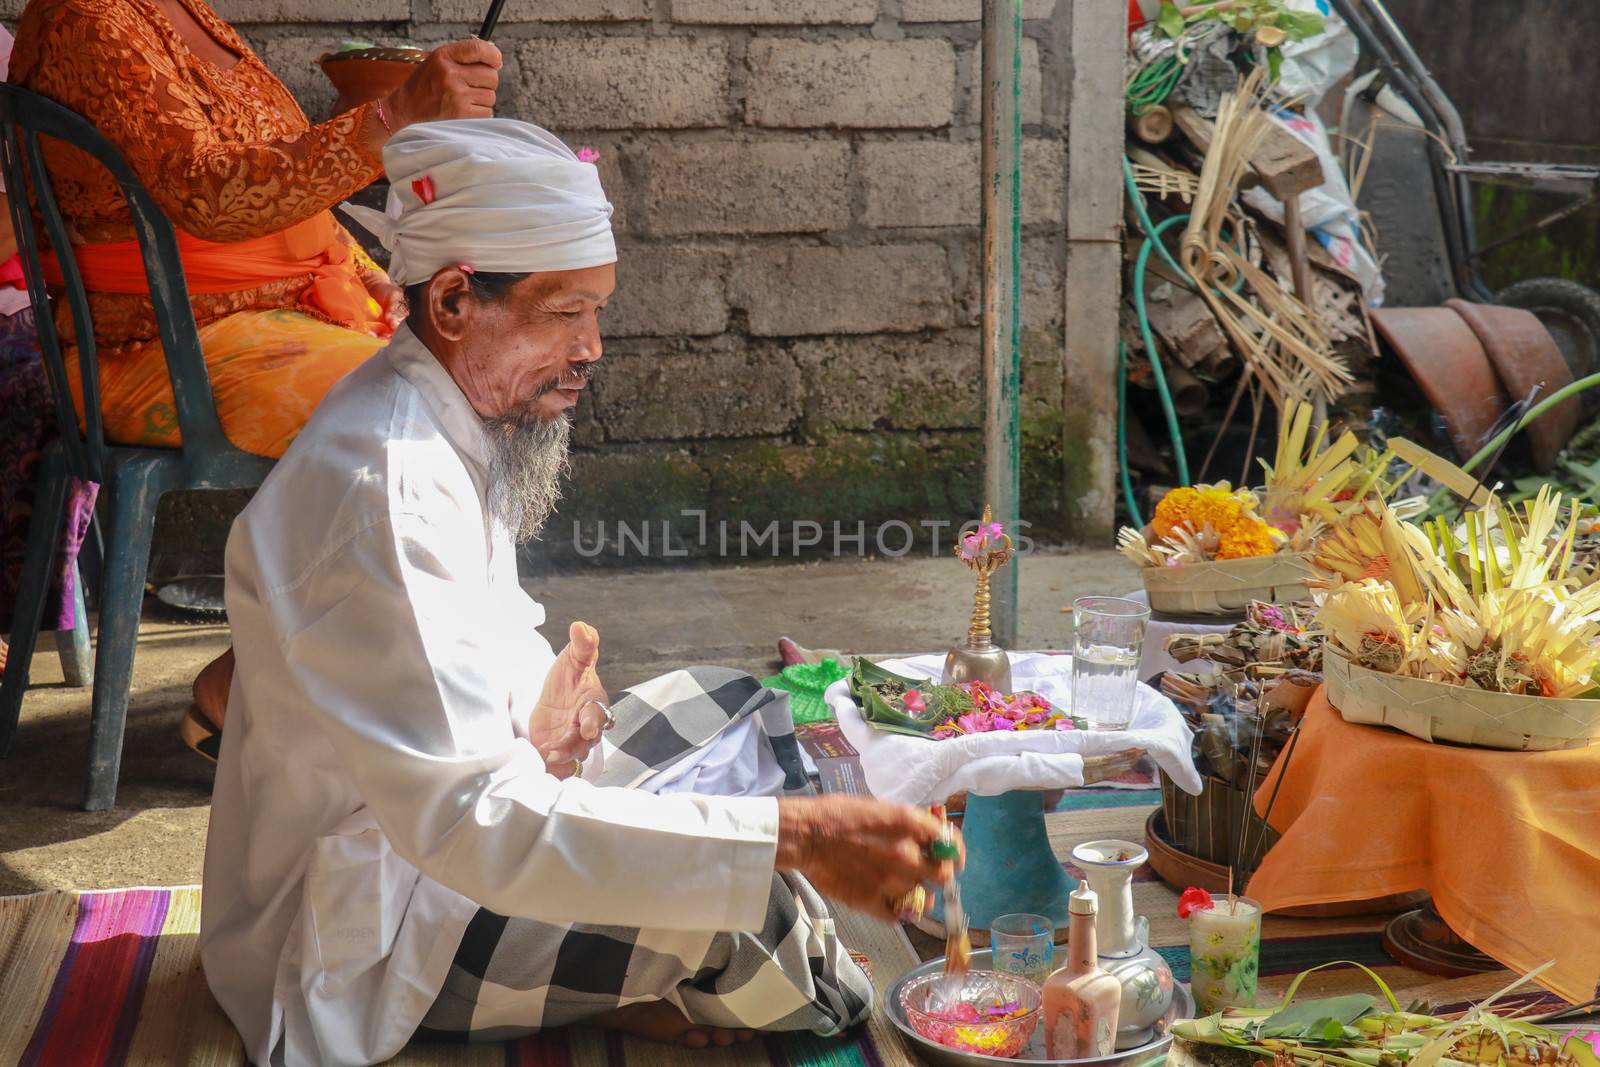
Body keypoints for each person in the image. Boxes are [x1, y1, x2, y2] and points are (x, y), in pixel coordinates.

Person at [200, 118, 956, 1067]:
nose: (593, 346)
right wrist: (794, 836)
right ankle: (603, 987)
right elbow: (476, 824)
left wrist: (541, 700)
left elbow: (475, 659)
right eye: (566, 313)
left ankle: (624, 969)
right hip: (374, 930)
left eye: (597, 312)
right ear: (451, 303)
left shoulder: (445, 417)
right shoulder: (382, 487)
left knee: (744, 705)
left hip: (465, 833)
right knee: (782, 944)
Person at [7, 0, 500, 750]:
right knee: (415, 408)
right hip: (151, 346)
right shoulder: (89, 18)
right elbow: (212, 193)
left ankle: (299, 684)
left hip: (262, 322)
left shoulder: (185, 14)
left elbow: (295, 212)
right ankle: (353, 704)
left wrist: (375, 283)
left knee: (470, 374)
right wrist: (395, 112)